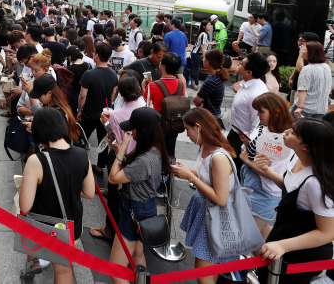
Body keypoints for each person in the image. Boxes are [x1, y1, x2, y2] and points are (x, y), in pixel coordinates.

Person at [19, 107, 95, 282]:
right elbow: (89, 193)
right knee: (63, 271)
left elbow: (25, 206)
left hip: (44, 226)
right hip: (70, 227)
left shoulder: (37, 160)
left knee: (32, 247)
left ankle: (31, 270)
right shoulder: (82, 155)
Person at [257, 119, 334, 284]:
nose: (286, 132)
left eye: (293, 132)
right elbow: (291, 188)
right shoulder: (296, 157)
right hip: (283, 235)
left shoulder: (316, 183)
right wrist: (267, 170)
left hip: (301, 253)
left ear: (306, 146)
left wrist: (283, 246)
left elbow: (327, 233)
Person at [172, 108, 241, 284]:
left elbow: (221, 198)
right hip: (208, 217)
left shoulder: (218, 157)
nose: (186, 134)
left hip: (215, 220)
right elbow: (208, 176)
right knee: (206, 270)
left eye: (188, 129)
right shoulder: (206, 147)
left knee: (204, 275)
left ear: (198, 127)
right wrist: (190, 171)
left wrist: (191, 177)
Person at [107, 107, 171, 284]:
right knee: (138, 254)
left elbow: (113, 178)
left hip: (133, 211)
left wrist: (122, 149)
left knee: (115, 268)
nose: (130, 131)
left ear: (142, 132)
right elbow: (129, 171)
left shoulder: (144, 160)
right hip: (146, 207)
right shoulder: (155, 151)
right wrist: (119, 149)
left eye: (133, 128)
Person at [90, 75, 145, 241]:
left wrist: (106, 123)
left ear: (120, 93)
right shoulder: (144, 106)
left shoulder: (117, 115)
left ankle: (109, 229)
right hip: (140, 157)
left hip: (121, 158)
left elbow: (115, 141)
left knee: (114, 196)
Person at [237, 92, 292, 239]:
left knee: (244, 237)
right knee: (259, 235)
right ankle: (267, 262)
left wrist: (247, 160)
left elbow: (275, 175)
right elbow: (255, 153)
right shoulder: (263, 125)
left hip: (265, 193)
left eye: (261, 111)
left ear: (276, 111)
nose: (258, 115)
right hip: (250, 183)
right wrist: (247, 143)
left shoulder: (285, 139)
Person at [77, 42, 119, 175]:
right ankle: (100, 167)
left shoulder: (89, 74)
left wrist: (79, 111)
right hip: (105, 115)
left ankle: (77, 164)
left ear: (96, 56)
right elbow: (113, 94)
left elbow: (82, 95)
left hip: (89, 113)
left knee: (80, 139)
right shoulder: (113, 74)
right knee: (103, 141)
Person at [144, 52, 185, 161]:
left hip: (158, 124)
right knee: (170, 151)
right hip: (174, 124)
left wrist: (145, 85)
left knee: (155, 150)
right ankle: (169, 171)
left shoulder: (152, 85)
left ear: (163, 66)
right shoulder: (181, 84)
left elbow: (145, 103)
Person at [228, 52, 269, 160]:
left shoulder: (256, 94)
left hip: (242, 140)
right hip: (236, 133)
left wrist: (246, 147)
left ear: (249, 72)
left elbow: (257, 125)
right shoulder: (248, 83)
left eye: (241, 63)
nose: (238, 64)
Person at [28, 74, 80, 142]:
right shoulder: (52, 105)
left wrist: (34, 127)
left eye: (39, 96)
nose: (38, 98)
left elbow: (52, 136)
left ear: (49, 93)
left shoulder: (57, 113)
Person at [291, 41, 331, 119]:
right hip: (321, 109)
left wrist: (299, 107)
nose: (301, 50)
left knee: (290, 127)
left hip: (305, 108)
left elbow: (303, 89)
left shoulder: (308, 69)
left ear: (311, 52)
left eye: (304, 49)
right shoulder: (326, 67)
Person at [193, 49, 228, 121]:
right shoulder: (215, 75)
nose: (203, 59)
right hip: (211, 113)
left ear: (208, 62)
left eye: (204, 58)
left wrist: (199, 90)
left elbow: (196, 100)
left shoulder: (212, 81)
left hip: (209, 116)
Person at [288, 32, 320, 103]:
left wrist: (301, 54)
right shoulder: (303, 52)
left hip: (303, 89)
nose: (298, 42)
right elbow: (297, 67)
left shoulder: (312, 56)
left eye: (301, 41)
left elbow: (300, 69)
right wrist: (291, 77)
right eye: (298, 40)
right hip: (296, 85)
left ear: (310, 43)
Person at [66, 46, 92, 113]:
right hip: (87, 95)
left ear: (70, 57)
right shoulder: (88, 65)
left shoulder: (69, 69)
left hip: (73, 96)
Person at [186, 20, 211, 90]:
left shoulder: (202, 33)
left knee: (196, 69)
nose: (210, 27)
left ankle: (196, 83)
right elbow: (202, 47)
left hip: (195, 53)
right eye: (208, 25)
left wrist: (209, 43)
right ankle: (197, 84)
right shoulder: (204, 34)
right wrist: (204, 57)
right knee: (196, 69)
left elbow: (202, 44)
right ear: (204, 26)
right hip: (196, 54)